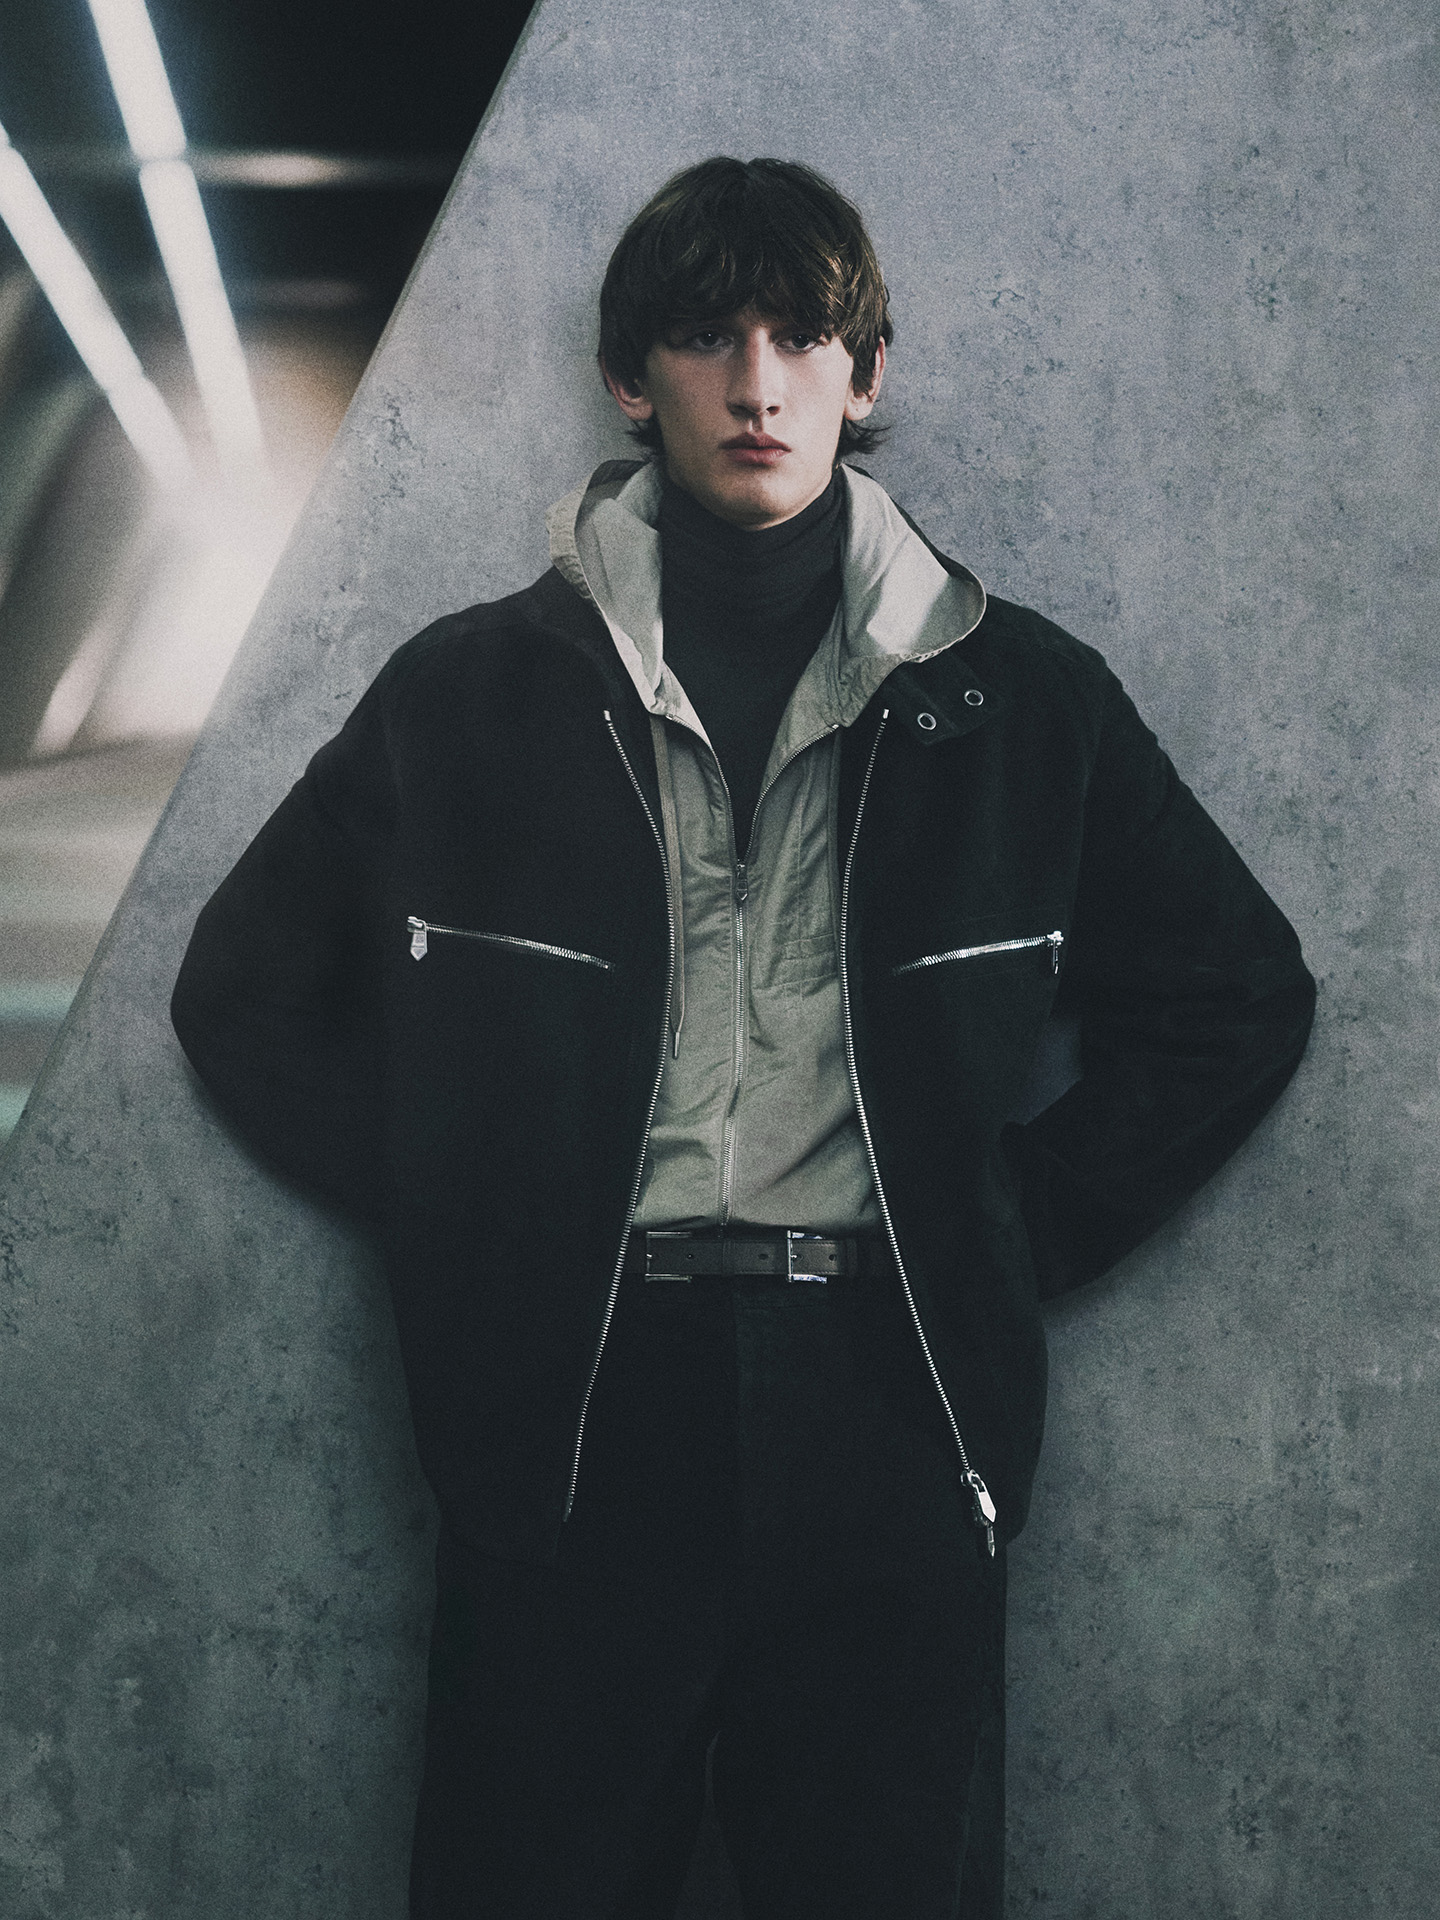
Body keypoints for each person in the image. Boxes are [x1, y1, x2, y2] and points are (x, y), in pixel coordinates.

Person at [171, 157, 1316, 1919]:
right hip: (578, 1410)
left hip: (891, 1399)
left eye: (802, 337)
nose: (758, 383)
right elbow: (245, 992)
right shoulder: (472, 695)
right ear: (632, 379)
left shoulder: (1022, 704)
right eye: (708, 337)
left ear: (870, 371)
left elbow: (1239, 994)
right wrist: (478, 1201)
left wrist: (1005, 1227)